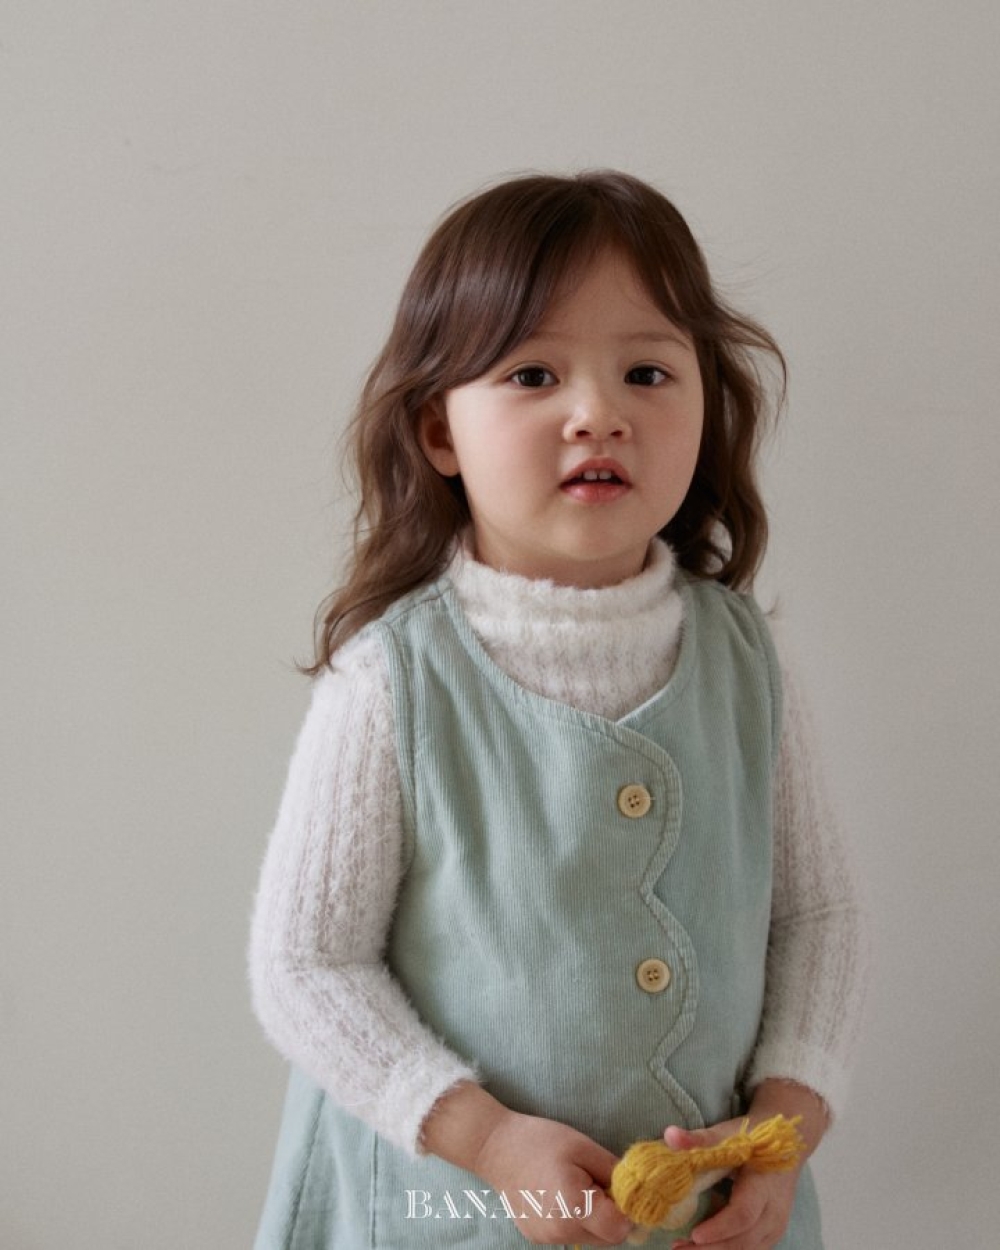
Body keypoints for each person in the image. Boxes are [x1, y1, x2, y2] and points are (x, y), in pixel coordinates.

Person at [248, 171, 870, 1250]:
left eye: (647, 371)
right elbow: (307, 965)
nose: (599, 414)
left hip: (716, 1215)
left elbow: (817, 917)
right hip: (450, 1211)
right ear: (438, 430)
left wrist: (787, 1127)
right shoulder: (391, 677)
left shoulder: (747, 660)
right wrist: (488, 1139)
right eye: (533, 373)